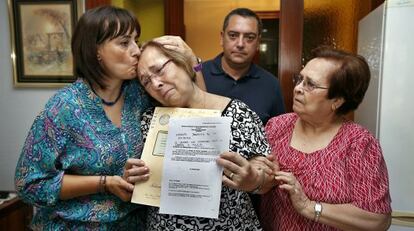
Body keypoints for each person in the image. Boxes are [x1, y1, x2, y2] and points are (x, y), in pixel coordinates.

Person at [14, 6, 197, 230]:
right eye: (124, 42)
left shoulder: (140, 94)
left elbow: (194, 109)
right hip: (74, 225)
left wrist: (193, 61)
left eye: (135, 41)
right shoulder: (64, 108)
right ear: (95, 51)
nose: (136, 50)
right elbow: (29, 185)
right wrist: (105, 183)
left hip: (136, 224)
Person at [123, 40, 276, 230]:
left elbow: (268, 179)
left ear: (183, 63)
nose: (156, 83)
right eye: (146, 81)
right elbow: (138, 179)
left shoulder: (238, 113)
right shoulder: (149, 121)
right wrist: (132, 177)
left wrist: (254, 179)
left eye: (159, 70)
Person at [260, 46, 392, 230]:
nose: (298, 88)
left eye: (310, 84)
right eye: (300, 79)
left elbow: (378, 221)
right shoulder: (276, 126)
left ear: (337, 100)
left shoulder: (359, 143)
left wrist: (308, 207)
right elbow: (260, 184)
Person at [202, 8, 285, 125]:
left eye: (249, 37)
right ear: (222, 38)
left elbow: (278, 134)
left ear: (258, 43)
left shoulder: (271, 85)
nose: (240, 44)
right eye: (233, 35)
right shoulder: (199, 75)